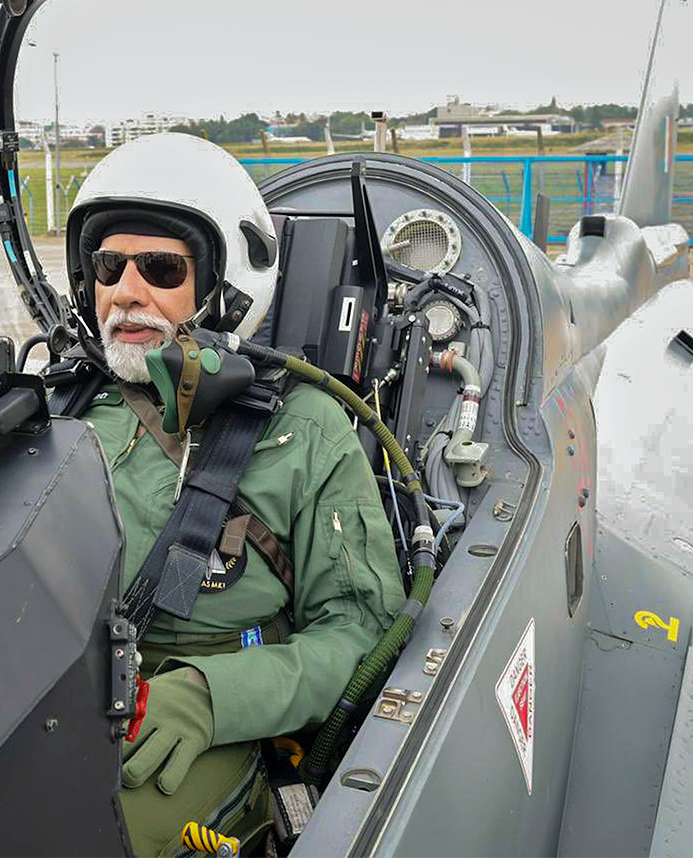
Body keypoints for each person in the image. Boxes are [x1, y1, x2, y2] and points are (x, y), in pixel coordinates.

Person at [63, 133, 405, 857]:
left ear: (223, 288)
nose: (125, 289)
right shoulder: (60, 412)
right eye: (107, 265)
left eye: (159, 267)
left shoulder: (304, 430)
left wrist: (216, 697)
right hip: (61, 695)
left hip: (215, 720)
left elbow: (358, 632)